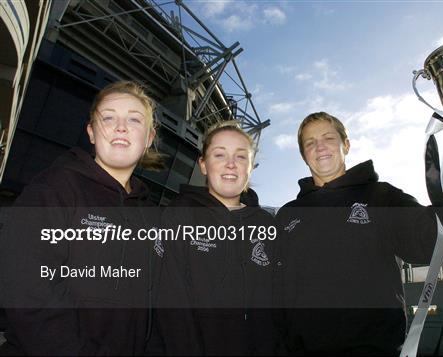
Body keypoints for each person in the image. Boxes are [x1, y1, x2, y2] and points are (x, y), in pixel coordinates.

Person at [273, 111, 443, 355]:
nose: (320, 147)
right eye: (310, 143)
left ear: (345, 145)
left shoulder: (381, 197)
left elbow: (436, 237)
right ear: (303, 155)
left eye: (328, 138)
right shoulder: (287, 215)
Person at [0, 81, 162, 355]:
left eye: (134, 119)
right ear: (91, 132)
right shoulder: (55, 188)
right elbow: (25, 286)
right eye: (108, 117)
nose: (120, 127)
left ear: (148, 138)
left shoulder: (152, 218)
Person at [156, 121, 278, 355]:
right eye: (219, 154)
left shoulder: (266, 224)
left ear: (251, 166)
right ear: (203, 164)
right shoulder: (179, 215)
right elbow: (169, 305)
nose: (231, 164)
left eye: (241, 157)